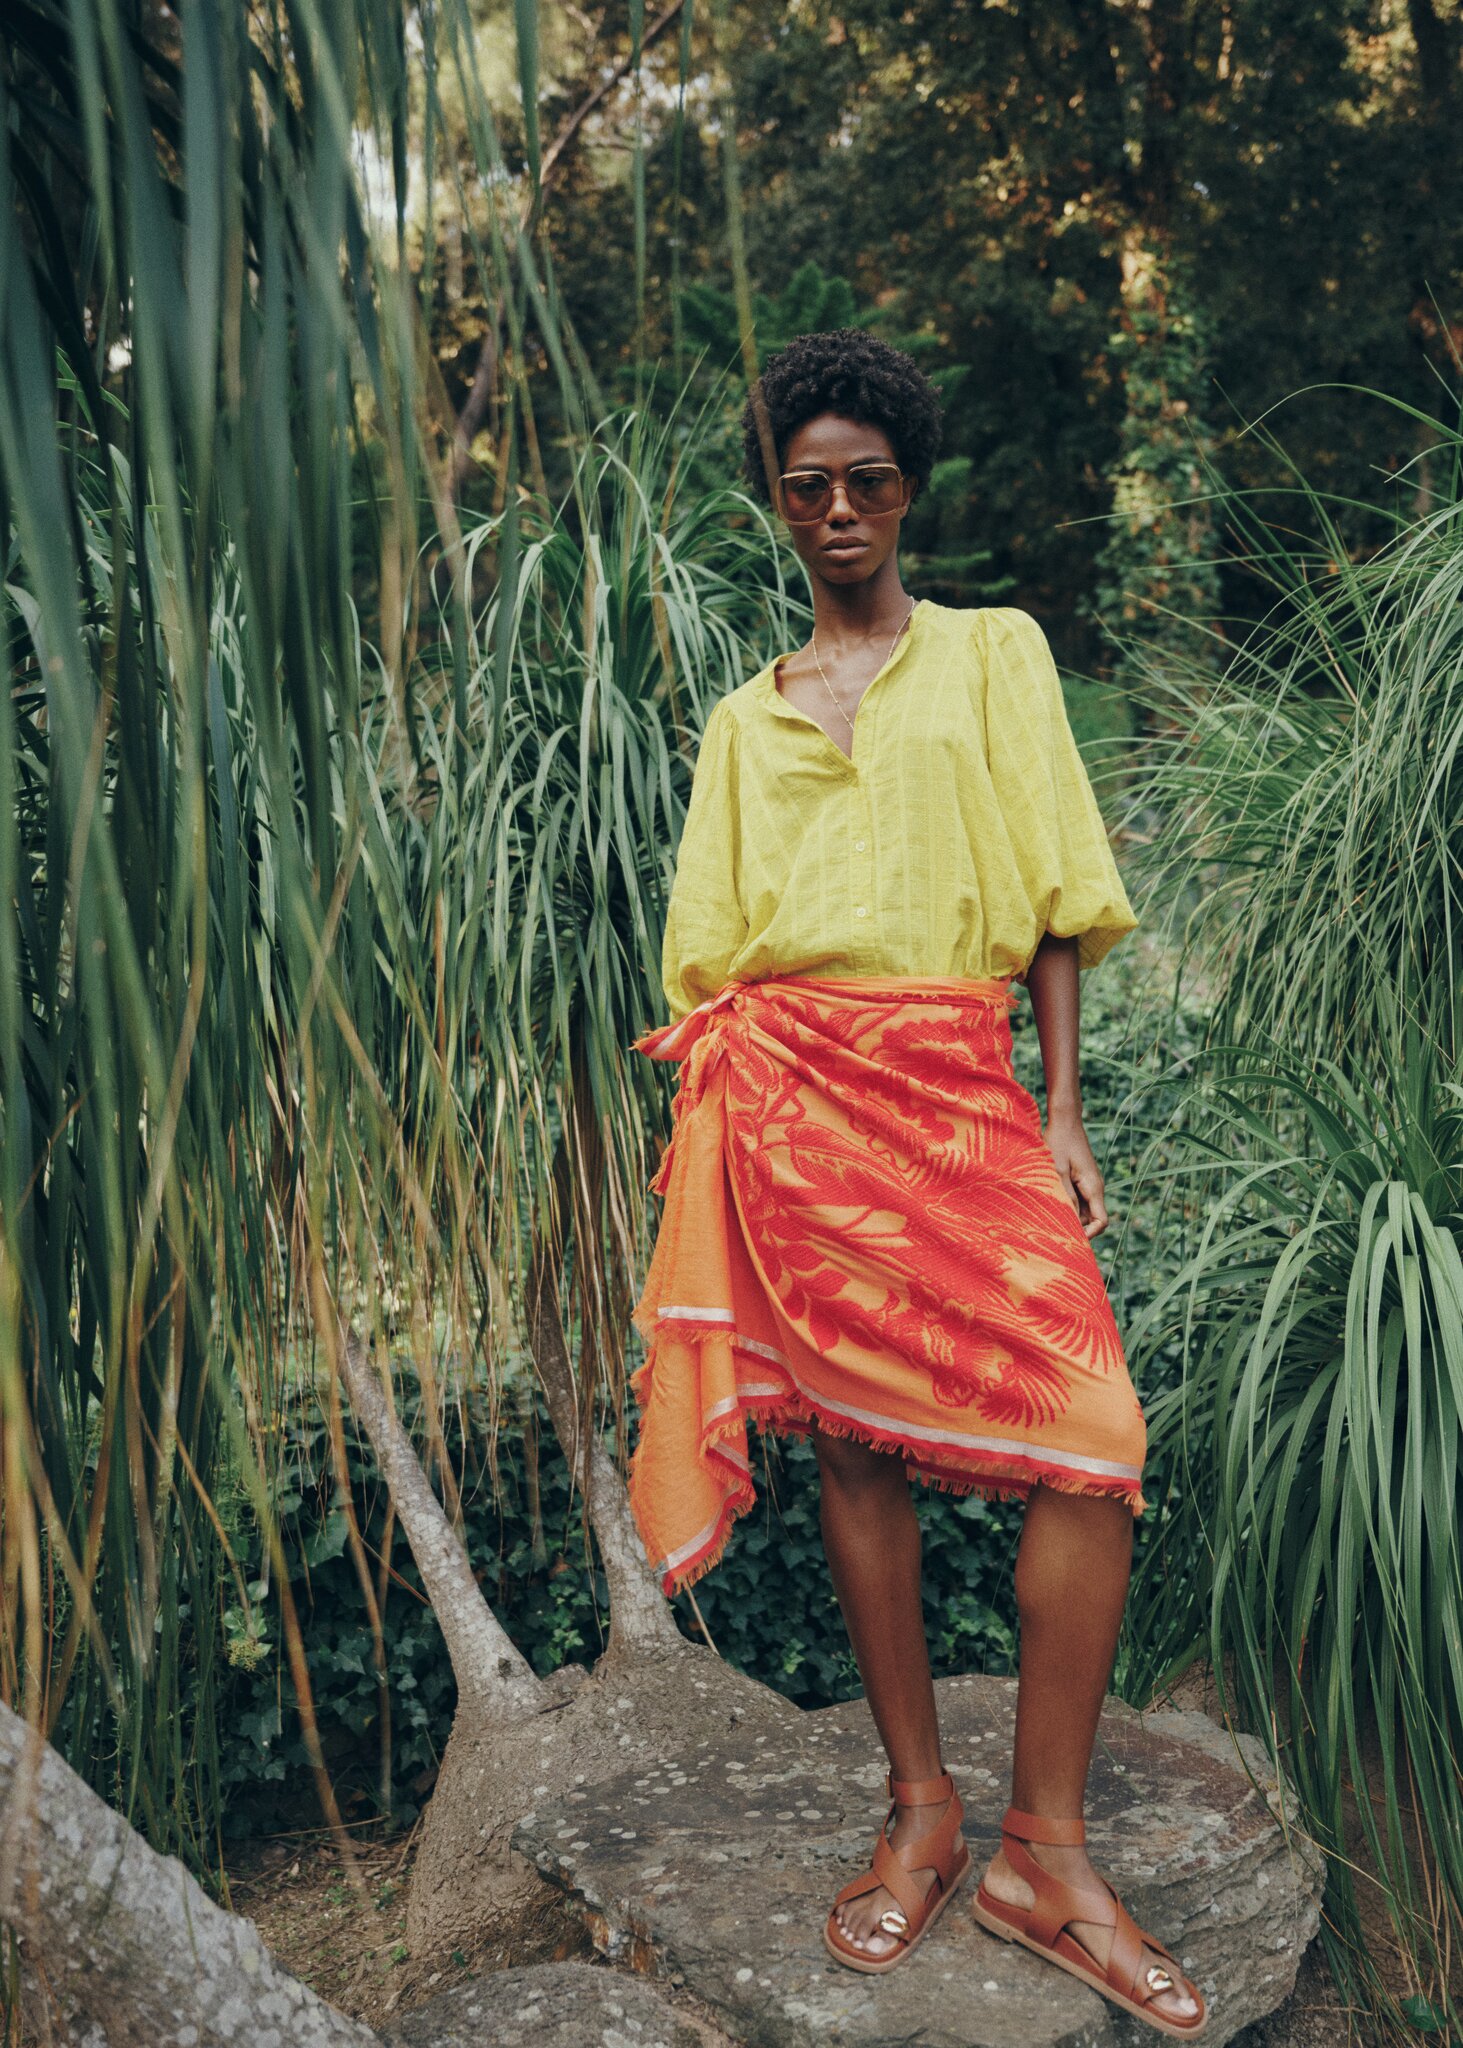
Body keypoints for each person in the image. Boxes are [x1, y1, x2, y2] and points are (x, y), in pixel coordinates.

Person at [625, 329, 1206, 2039]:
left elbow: (1056, 899)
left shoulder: (995, 655)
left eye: (865, 479)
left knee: (1096, 1436)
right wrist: (734, 1129)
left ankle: (1047, 1850)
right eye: (806, 486)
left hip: (961, 1091)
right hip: (794, 1103)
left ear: (907, 487)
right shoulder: (743, 722)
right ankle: (921, 1812)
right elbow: (709, 953)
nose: (837, 509)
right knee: (856, 1446)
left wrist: (1063, 1113)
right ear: (779, 504)